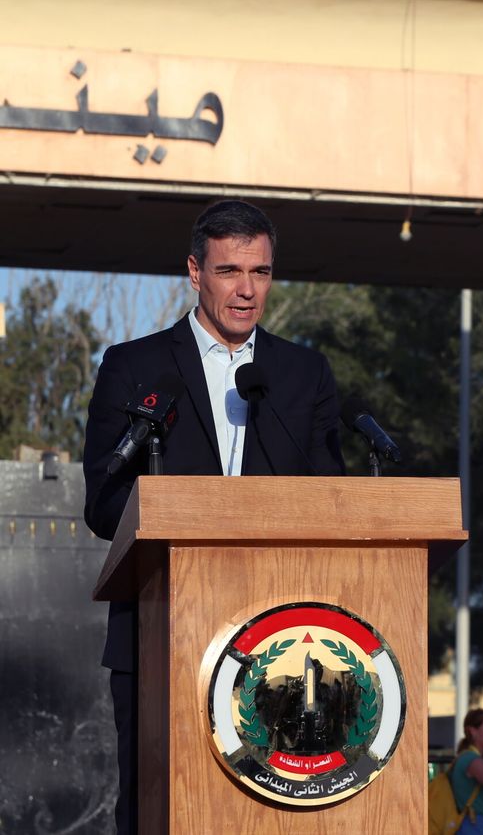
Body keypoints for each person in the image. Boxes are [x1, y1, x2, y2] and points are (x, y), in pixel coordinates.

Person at [82, 199, 345, 834]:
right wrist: (185, 525)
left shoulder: (303, 374)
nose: (247, 290)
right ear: (195, 273)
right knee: (157, 809)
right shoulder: (135, 365)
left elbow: (332, 499)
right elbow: (102, 500)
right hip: (161, 624)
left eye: (261, 272)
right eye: (230, 272)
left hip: (283, 638)